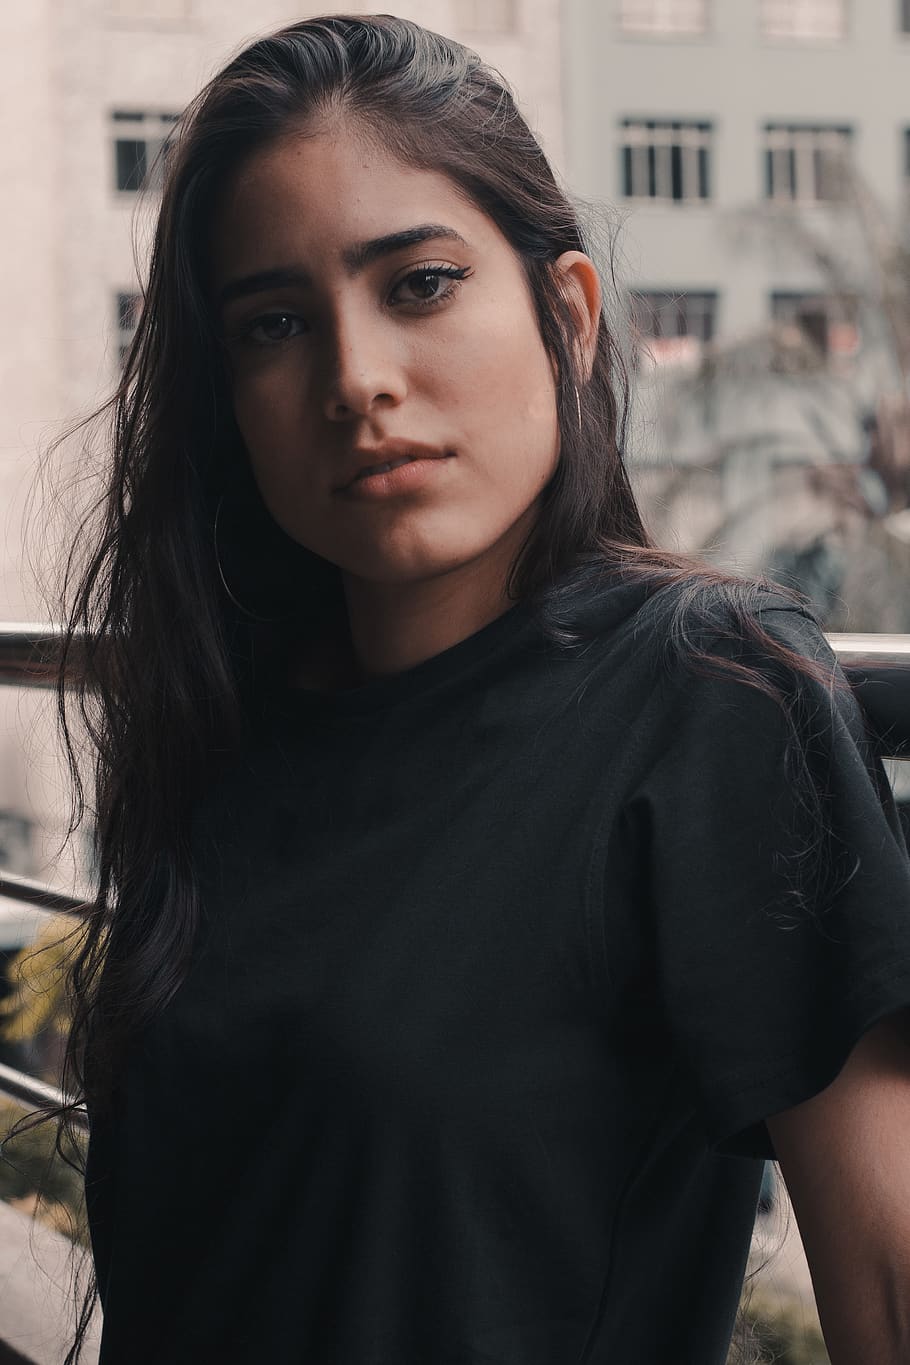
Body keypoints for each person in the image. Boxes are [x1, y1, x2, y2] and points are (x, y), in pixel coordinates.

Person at [30, 14, 910, 1365]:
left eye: (420, 284)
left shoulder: (709, 691)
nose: (356, 381)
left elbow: (886, 1283)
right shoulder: (230, 712)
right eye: (273, 323)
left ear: (566, 310)